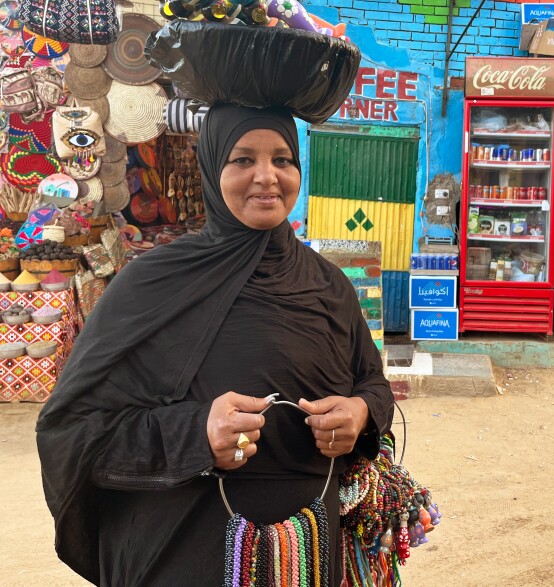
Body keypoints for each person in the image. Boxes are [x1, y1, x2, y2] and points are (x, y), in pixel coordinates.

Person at [36, 103, 394, 586]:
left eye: (282, 159)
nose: (266, 177)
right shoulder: (153, 284)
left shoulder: (329, 286)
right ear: (211, 170)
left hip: (311, 553)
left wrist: (360, 413)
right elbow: (70, 432)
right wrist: (195, 433)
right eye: (243, 159)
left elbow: (372, 382)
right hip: (182, 549)